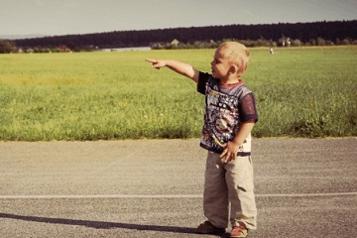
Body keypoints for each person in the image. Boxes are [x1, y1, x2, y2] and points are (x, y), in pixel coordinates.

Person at [146, 41, 258, 238]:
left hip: (236, 152)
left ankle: (242, 224)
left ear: (232, 68)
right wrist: (166, 62)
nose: (211, 63)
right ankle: (216, 222)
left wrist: (235, 143)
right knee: (213, 188)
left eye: (217, 61)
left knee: (239, 186)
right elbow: (190, 71)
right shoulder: (210, 84)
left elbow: (250, 120)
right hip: (214, 149)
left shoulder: (243, 93)